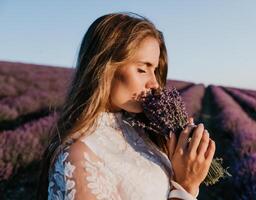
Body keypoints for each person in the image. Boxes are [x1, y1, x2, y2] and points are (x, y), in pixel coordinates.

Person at [37, 12, 216, 200]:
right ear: (104, 67)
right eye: (142, 69)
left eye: (154, 70)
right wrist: (185, 186)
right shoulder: (79, 156)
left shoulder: (140, 132)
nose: (154, 83)